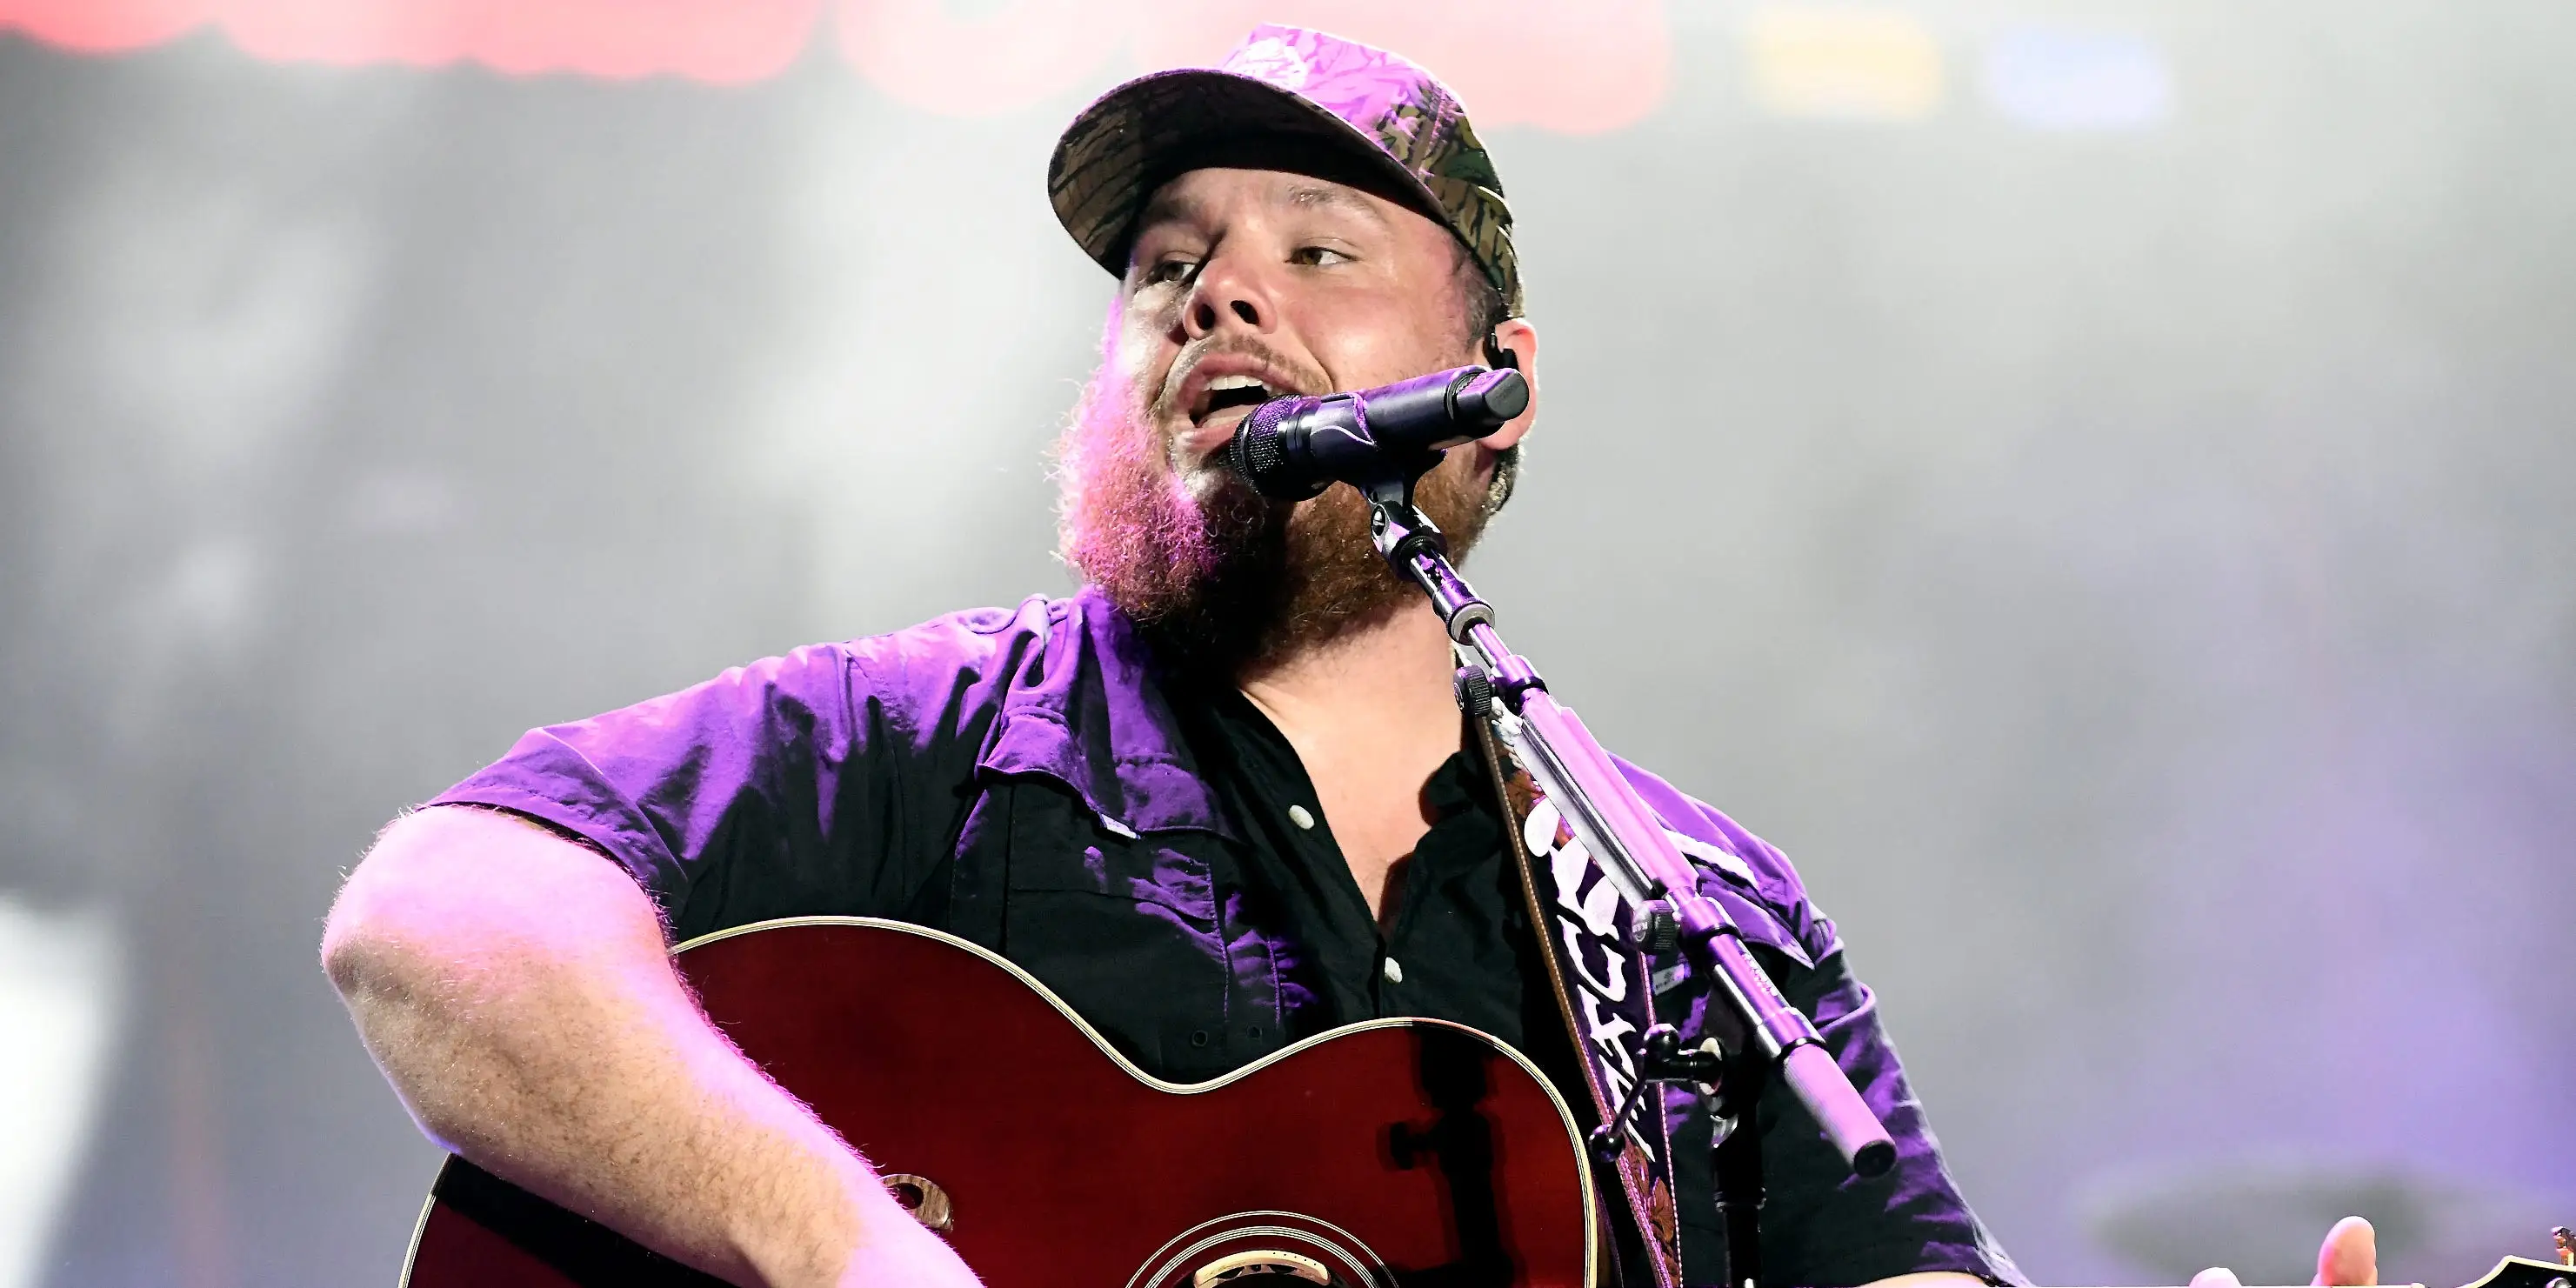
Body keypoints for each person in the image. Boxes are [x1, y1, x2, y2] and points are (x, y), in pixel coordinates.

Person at [322, 24, 2379, 1288]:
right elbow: (437, 910)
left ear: (1499, 387)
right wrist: (839, 1235)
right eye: (1164, 267)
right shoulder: (930, 734)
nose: (1216, 298)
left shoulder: (1688, 913)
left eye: (1318, 250)